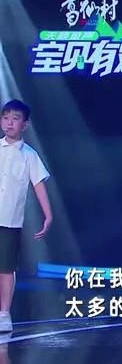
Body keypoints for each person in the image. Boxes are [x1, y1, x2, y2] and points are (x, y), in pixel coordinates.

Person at [0, 100, 53, 332]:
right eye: (5, 117)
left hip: (9, 221)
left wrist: (48, 215)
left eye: (15, 118)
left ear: (25, 124)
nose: (9, 123)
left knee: (5, 267)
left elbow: (39, 184)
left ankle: (4, 313)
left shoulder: (29, 155)